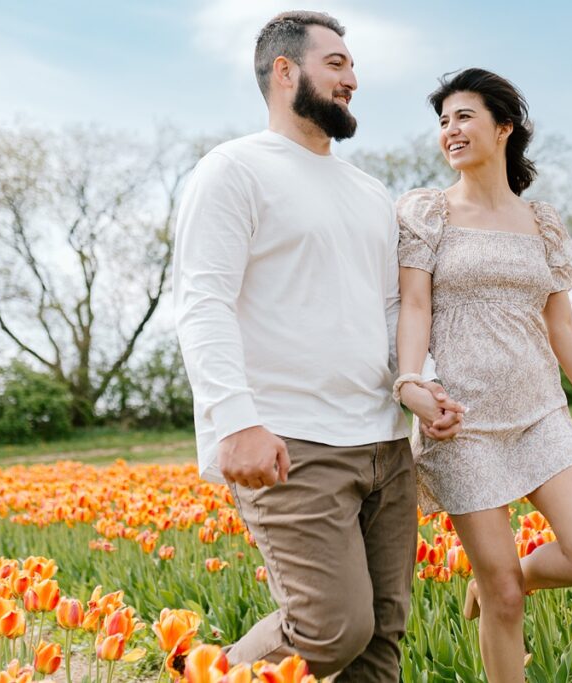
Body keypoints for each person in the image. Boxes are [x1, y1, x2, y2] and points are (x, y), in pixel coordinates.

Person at [172, 11, 462, 681]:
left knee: (381, 641)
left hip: (386, 446)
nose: (353, 78)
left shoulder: (368, 192)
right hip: (292, 441)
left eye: (352, 65)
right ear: (284, 71)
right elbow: (203, 300)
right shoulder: (233, 170)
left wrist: (419, 383)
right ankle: (195, 674)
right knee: (329, 628)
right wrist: (234, 418)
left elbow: (392, 309)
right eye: (335, 64)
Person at [394, 68, 572, 683]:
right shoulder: (427, 213)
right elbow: (415, 307)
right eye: (443, 121)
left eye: (464, 116)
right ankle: (500, 589)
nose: (450, 129)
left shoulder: (543, 223)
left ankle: (513, 576)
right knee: (502, 600)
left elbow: (564, 329)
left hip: (541, 415)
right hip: (465, 425)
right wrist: (412, 381)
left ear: (504, 127)